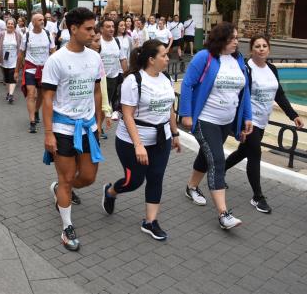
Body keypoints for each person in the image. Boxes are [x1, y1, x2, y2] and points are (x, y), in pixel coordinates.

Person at [101, 40, 181, 240]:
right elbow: (127, 115)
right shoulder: (134, 80)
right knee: (134, 181)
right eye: (163, 55)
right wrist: (139, 145)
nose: (167, 58)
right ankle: (111, 191)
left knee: (156, 177)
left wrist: (175, 133)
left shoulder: (166, 78)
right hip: (132, 141)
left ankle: (150, 221)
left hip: (161, 139)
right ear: (151, 59)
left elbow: (169, 108)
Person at [42, 7, 104, 251]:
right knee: (67, 178)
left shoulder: (95, 57)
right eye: (88, 29)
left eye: (93, 28)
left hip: (88, 127)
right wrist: (48, 133)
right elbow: (47, 99)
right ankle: (67, 227)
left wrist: (98, 121)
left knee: (88, 177)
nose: (93, 33)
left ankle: (59, 191)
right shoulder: (56, 59)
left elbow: (97, 90)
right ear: (73, 29)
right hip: (63, 127)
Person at [179, 22, 252, 230]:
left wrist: (247, 116)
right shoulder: (205, 57)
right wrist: (185, 114)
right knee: (218, 161)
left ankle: (191, 186)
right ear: (221, 40)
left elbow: (244, 91)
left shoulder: (238, 60)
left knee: (207, 154)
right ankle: (223, 214)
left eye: (237, 38)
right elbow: (187, 83)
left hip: (226, 122)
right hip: (205, 119)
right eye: (233, 39)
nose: (237, 42)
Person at [225, 34, 304, 213]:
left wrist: (293, 115)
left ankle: (219, 171)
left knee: (243, 151)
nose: (261, 49)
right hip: (249, 120)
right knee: (255, 154)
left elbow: (279, 95)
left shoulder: (272, 69)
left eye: (264, 46)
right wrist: (240, 123)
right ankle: (258, 196)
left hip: (262, 120)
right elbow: (238, 95)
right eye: (257, 46)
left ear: (269, 49)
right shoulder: (246, 69)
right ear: (251, 50)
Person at [16, 12, 56, 133]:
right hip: (30, 68)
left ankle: (36, 110)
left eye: (43, 19)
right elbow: (21, 54)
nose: (42, 21)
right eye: (39, 20)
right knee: (31, 94)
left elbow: (53, 52)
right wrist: (17, 70)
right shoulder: (26, 36)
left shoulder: (48, 34)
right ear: (33, 23)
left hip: (44, 69)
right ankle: (32, 121)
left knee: (41, 95)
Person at [99, 19, 128, 128]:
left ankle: (98, 127)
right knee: (98, 104)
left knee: (105, 105)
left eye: (112, 26)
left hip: (112, 78)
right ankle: (95, 127)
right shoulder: (98, 41)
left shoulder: (116, 41)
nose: (111, 29)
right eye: (108, 26)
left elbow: (123, 59)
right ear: (101, 29)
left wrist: (127, 76)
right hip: (99, 79)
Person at [0, 18, 21, 104]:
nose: (10, 25)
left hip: (15, 60)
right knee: (7, 79)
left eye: (12, 24)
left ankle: (11, 95)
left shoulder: (18, 35)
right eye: (8, 23)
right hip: (4, 60)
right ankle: (9, 93)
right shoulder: (2, 34)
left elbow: (22, 46)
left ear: (14, 25)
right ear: (6, 25)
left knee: (13, 77)